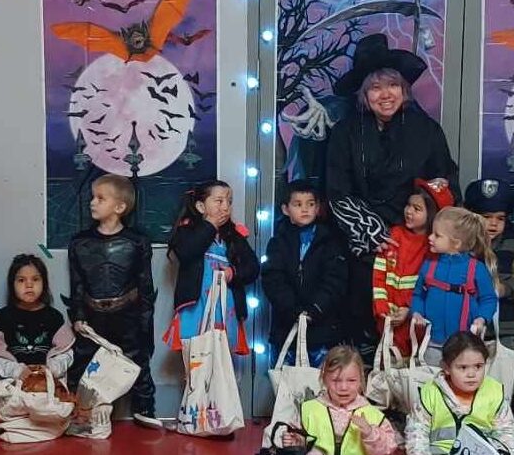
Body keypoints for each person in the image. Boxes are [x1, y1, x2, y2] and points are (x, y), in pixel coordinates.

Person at [324, 43, 459, 348]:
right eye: (375, 88)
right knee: (364, 325)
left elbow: (446, 183)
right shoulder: (345, 132)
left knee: (416, 328)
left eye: (393, 85)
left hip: (417, 244)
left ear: (404, 89)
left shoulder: (427, 130)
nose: (385, 94)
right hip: (365, 246)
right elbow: (336, 190)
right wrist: (372, 233)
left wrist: (423, 225)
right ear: (363, 94)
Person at [65, 174, 159, 426]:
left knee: (137, 360)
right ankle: (77, 411)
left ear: (120, 207)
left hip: (127, 314)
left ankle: (145, 409)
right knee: (83, 361)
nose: (93, 202)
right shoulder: (79, 243)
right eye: (92, 197)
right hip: (92, 315)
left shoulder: (137, 242)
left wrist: (145, 322)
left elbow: (145, 285)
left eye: (100, 198)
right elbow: (77, 284)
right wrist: (78, 316)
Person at [297, 345, 400, 455]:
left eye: (351, 380)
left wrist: (370, 433)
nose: (343, 387)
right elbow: (298, 439)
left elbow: (389, 445)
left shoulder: (371, 413)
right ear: (324, 379)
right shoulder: (310, 408)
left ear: (361, 380)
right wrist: (296, 441)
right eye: (336, 380)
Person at [261, 180, 349, 367]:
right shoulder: (278, 242)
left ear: (318, 208)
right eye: (298, 204)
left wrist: (315, 308)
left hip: (323, 329)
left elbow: (335, 280)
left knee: (323, 380)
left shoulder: (330, 242)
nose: (305, 209)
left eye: (310, 204)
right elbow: (273, 279)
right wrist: (292, 309)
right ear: (286, 209)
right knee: (285, 381)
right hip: (286, 328)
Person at [166, 180, 259, 356]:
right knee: (196, 355)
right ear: (201, 207)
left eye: (229, 202)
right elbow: (186, 252)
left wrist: (233, 273)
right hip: (195, 305)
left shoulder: (235, 235)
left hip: (225, 305)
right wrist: (210, 226)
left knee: (223, 357)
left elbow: (252, 267)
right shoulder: (187, 230)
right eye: (219, 201)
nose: (225, 207)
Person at [371, 178, 452, 356]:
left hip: (417, 323)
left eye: (417, 209)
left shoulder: (434, 247)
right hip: (388, 321)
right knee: (390, 364)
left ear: (432, 214)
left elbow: (430, 288)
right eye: (408, 205)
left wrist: (410, 309)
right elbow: (379, 275)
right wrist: (382, 309)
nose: (409, 211)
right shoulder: (394, 235)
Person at [409, 207, 498, 356]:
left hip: (465, 344)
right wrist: (417, 312)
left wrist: (482, 318)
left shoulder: (476, 269)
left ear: (456, 243)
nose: (430, 237)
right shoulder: (428, 266)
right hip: (432, 341)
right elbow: (418, 295)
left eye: (437, 235)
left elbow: (489, 299)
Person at [463, 179, 514, 345]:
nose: (493, 223)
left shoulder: (512, 244)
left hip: (503, 323)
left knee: (505, 359)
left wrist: (506, 289)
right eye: (486, 217)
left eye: (500, 218)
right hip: (468, 321)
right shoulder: (462, 246)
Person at [0, 254, 74, 383]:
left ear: (44, 283)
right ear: (12, 284)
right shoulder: (2, 317)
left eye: (35, 279)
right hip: (12, 385)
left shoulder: (54, 317)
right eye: (21, 280)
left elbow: (66, 353)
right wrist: (16, 371)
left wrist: (52, 369)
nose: (29, 285)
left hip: (46, 383)